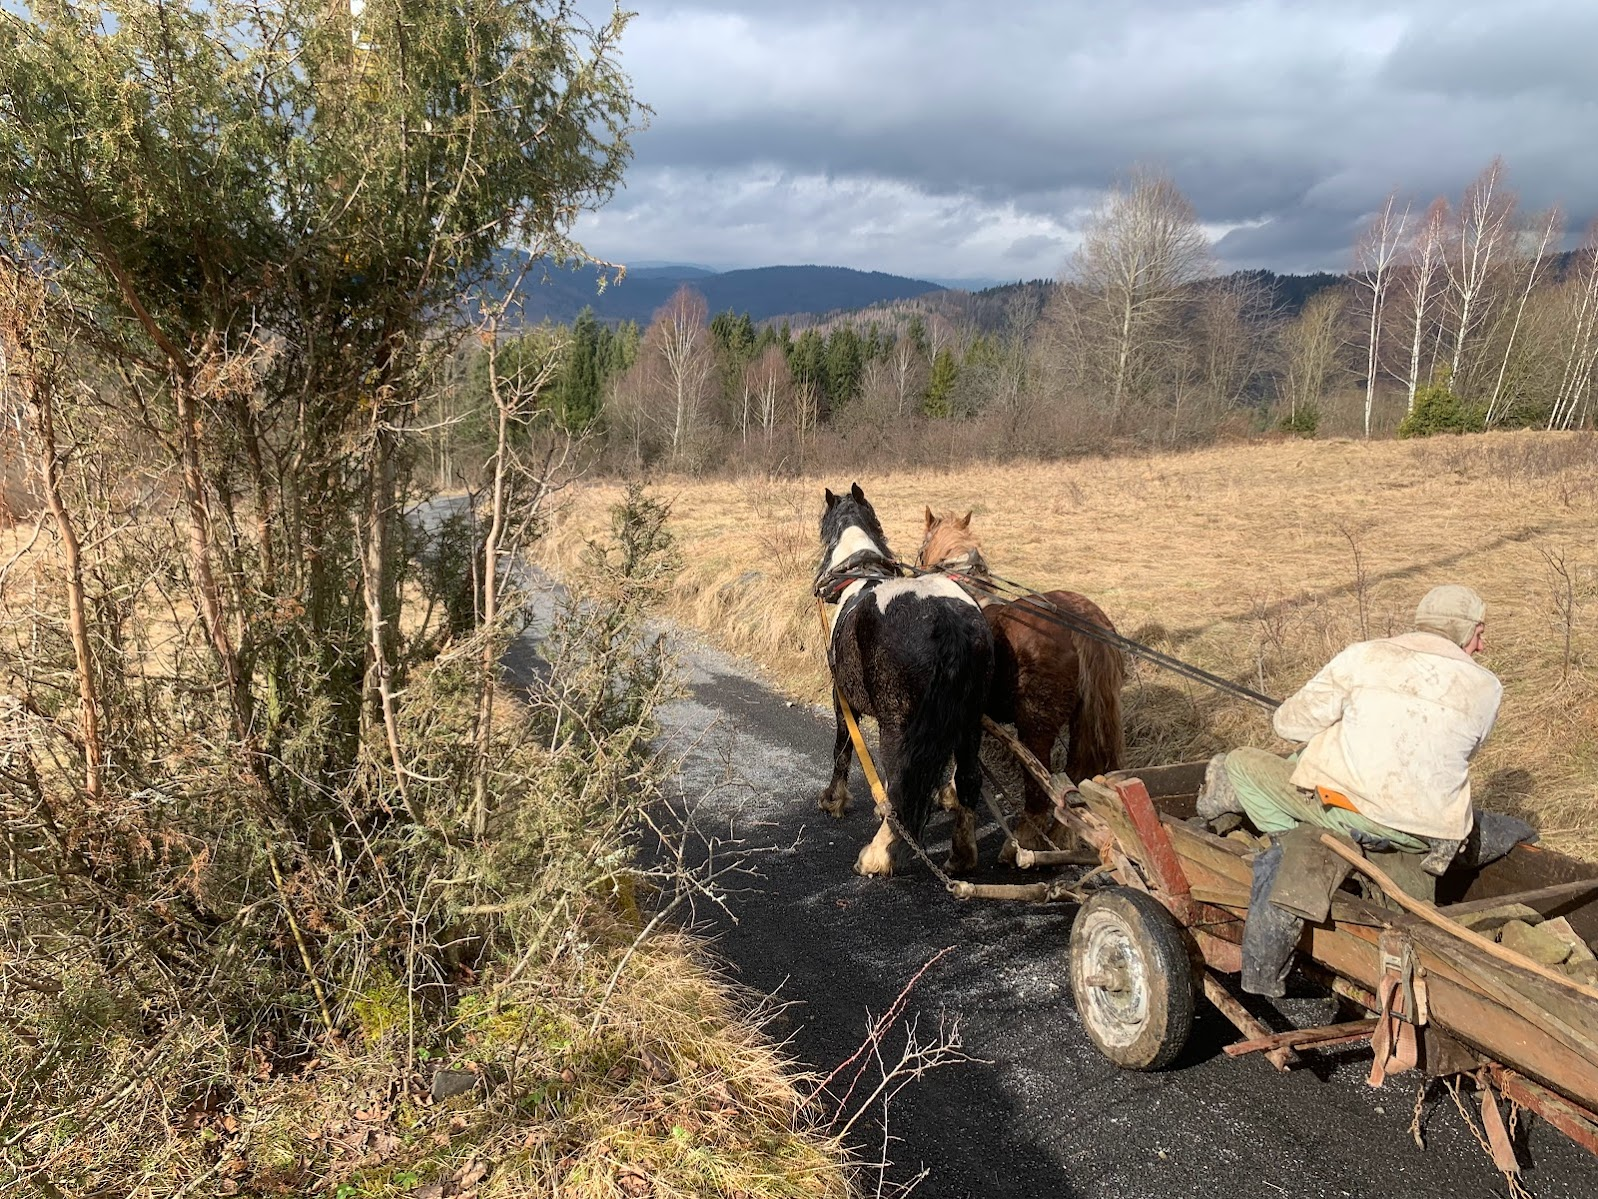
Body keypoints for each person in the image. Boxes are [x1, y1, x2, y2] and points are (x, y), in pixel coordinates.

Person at [1198, 584, 1502, 875]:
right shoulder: (1488, 686)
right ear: (1463, 631)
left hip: (1368, 817)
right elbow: (1461, 750)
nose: (1482, 646)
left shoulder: (1364, 656)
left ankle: (1293, 846)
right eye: (1479, 635)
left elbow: (1288, 725)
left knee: (1239, 762)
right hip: (1437, 831)